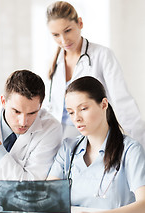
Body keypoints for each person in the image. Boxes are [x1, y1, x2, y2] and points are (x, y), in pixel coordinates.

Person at [47, 76, 145, 213]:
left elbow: (143, 206)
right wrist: (35, 211)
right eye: (71, 112)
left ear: (103, 104)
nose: (77, 118)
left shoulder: (130, 150)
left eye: (83, 109)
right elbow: (48, 196)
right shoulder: (67, 148)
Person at [44, 1, 145, 147]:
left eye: (68, 30)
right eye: (55, 35)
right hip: (59, 137)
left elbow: (123, 103)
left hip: (93, 136)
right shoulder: (54, 62)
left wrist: (141, 143)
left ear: (80, 23)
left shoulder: (102, 55)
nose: (63, 40)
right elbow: (50, 107)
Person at [0, 69, 62, 212]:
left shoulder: (50, 129)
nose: (23, 122)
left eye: (32, 113)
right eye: (16, 111)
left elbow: (30, 189)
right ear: (3, 101)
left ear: (40, 106)